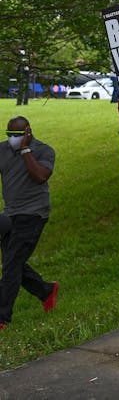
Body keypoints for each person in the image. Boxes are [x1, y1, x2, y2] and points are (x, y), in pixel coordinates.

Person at [0, 117, 59, 331]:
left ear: (27, 132)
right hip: (10, 214)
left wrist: (25, 151)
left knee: (12, 265)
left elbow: (40, 176)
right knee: (11, 261)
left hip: (34, 213)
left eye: (16, 135)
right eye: (9, 135)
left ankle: (2, 317)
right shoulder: (3, 149)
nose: (12, 140)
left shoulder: (44, 151)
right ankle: (46, 291)